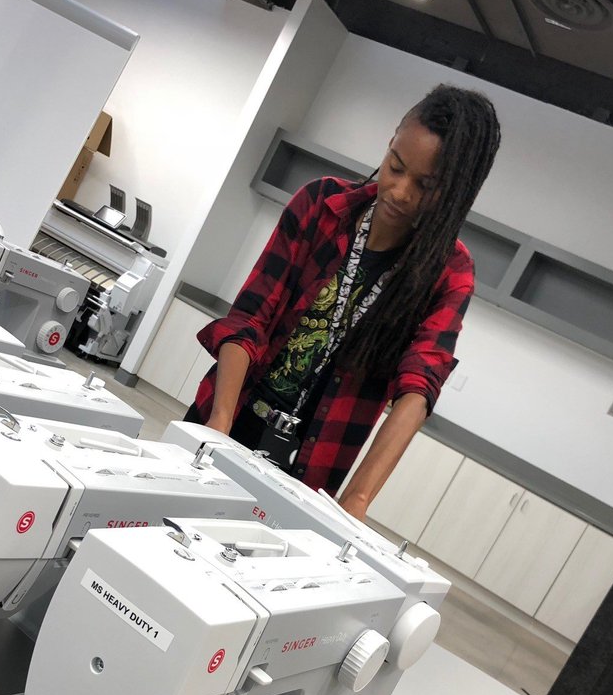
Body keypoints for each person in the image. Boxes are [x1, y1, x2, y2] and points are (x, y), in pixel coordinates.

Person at [185, 85, 501, 519]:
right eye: (396, 166)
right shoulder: (320, 205)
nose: (400, 192)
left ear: (457, 192)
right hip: (228, 413)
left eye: (426, 186)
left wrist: (357, 500)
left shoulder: (450, 274)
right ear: (391, 141)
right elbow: (250, 317)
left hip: (310, 471)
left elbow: (420, 384)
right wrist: (219, 425)